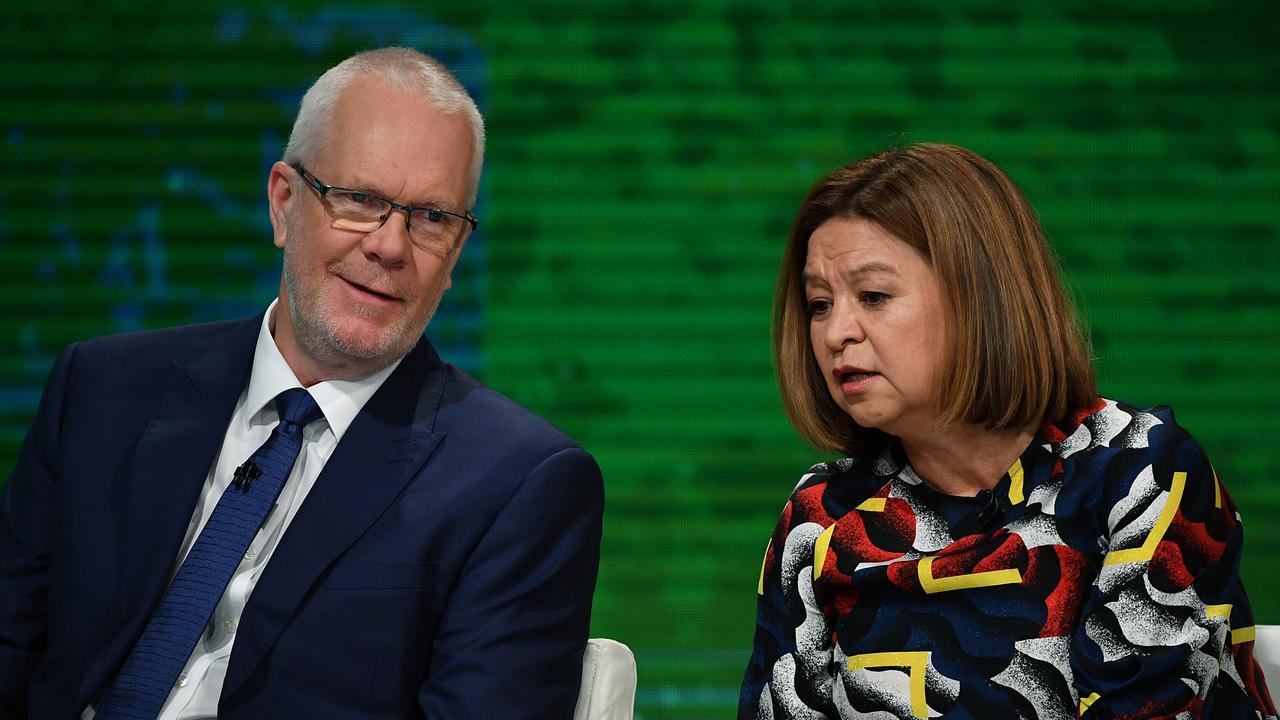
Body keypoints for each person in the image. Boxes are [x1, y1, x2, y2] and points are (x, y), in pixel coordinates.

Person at [0, 47, 603, 720]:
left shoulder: (519, 484)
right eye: (361, 199)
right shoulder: (102, 390)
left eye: (432, 218)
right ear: (284, 203)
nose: (390, 246)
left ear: (456, 252)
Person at [739, 143, 1275, 719]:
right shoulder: (820, 519)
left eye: (873, 296)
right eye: (819, 303)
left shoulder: (1140, 474)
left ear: (979, 299)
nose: (836, 332)